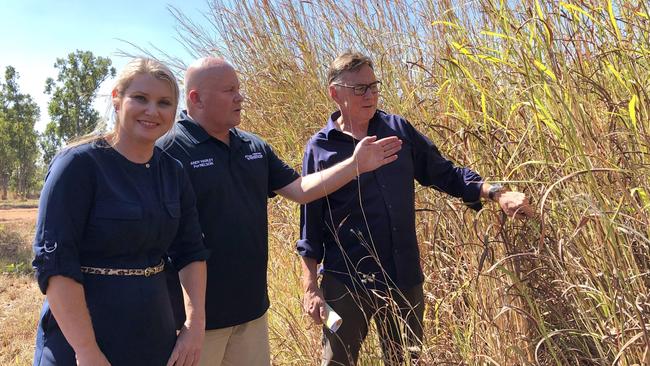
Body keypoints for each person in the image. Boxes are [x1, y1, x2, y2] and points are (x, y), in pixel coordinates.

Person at [158, 56, 403, 366]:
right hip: (195, 325)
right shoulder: (168, 152)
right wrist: (187, 322)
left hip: (252, 315)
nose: (240, 97)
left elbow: (300, 190)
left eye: (239, 88)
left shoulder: (254, 148)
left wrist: (355, 165)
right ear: (196, 98)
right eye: (229, 90)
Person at [298, 51, 534, 365]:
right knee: (337, 362)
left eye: (374, 86)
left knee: (405, 361)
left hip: (402, 277)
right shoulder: (320, 148)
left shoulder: (397, 130)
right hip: (346, 283)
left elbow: (444, 173)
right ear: (334, 93)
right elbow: (309, 225)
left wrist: (495, 192)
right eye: (360, 89)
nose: (370, 95)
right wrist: (311, 287)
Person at [32, 58, 209, 366]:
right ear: (117, 98)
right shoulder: (77, 166)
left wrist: (195, 325)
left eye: (164, 102)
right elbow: (56, 264)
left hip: (154, 333)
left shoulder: (173, 172)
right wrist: (86, 350)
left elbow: (191, 250)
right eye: (140, 98)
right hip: (80, 341)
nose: (152, 111)